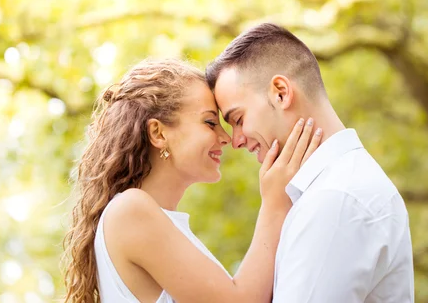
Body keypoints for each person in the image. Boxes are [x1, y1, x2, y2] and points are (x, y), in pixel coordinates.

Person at [63, 58, 322, 303]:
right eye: (210, 122)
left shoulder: (151, 217)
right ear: (158, 133)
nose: (227, 138)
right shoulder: (131, 210)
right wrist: (275, 202)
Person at [206, 23, 415, 302]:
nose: (236, 140)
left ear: (280, 92)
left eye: (239, 120)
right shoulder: (330, 189)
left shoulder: (336, 199)